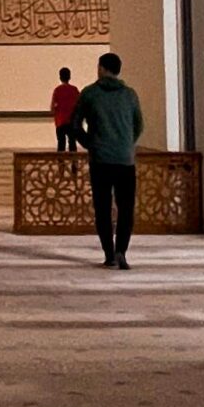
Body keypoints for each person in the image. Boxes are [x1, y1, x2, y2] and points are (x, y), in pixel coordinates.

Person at [68, 50, 142, 269]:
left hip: (100, 160)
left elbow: (74, 124)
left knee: (102, 208)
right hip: (125, 160)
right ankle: (122, 251)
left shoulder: (90, 93)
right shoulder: (130, 95)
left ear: (101, 68)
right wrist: (127, 143)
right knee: (126, 208)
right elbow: (139, 125)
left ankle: (109, 254)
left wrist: (90, 143)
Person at [50, 66, 79, 152]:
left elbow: (52, 107)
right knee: (72, 143)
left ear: (60, 77)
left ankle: (61, 164)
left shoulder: (57, 90)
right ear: (69, 77)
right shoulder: (74, 90)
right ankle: (74, 164)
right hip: (72, 121)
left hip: (60, 121)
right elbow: (79, 104)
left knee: (61, 144)